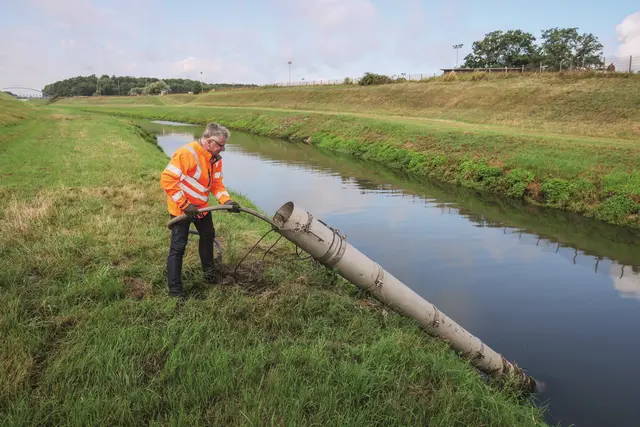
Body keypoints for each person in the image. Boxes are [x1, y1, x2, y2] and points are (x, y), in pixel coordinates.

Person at [160, 122, 241, 297]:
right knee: (178, 247)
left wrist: (227, 201)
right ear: (208, 141)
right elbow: (167, 180)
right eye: (221, 145)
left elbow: (217, 185)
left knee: (208, 237)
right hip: (181, 209)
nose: (223, 149)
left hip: (202, 208)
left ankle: (209, 276)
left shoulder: (215, 160)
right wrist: (184, 204)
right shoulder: (186, 153)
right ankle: (175, 291)